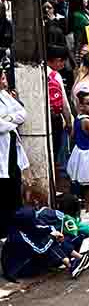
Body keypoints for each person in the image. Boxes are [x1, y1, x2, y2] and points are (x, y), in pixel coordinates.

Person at [0, 69, 27, 238]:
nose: (5, 81)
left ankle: (15, 228)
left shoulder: (4, 95)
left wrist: (7, 119)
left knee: (14, 184)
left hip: (10, 149)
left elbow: (22, 114)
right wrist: (11, 121)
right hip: (2, 151)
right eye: (2, 77)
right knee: (3, 192)